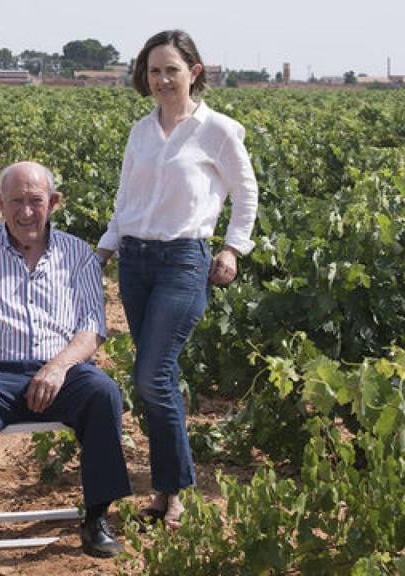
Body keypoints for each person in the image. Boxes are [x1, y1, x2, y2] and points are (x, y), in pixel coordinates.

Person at [95, 30, 259, 529]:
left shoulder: (220, 130)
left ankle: (177, 489)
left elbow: (246, 194)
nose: (162, 79)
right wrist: (103, 249)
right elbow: (126, 202)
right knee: (157, 380)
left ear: (195, 71)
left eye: (171, 69)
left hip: (184, 262)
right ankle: (168, 491)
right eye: (153, 71)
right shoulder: (140, 132)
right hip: (136, 262)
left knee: (151, 374)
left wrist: (232, 249)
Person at [0, 161, 132, 558]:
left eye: (36, 201)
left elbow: (91, 328)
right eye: (16, 201)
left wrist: (57, 368)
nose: (26, 212)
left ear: (53, 202)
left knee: (103, 392)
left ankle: (96, 519)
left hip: (62, 372)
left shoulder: (78, 254)